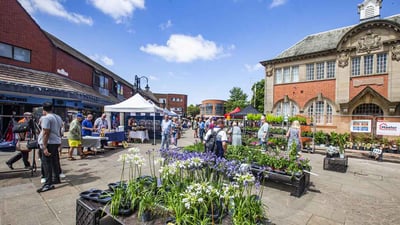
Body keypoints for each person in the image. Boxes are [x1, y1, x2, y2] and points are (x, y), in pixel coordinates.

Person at [37, 102, 63, 193]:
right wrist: (60, 143)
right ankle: (56, 178)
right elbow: (60, 131)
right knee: (55, 161)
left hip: (49, 142)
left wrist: (44, 147)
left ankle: (48, 183)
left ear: (43, 109)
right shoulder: (58, 117)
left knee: (46, 163)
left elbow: (46, 132)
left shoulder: (46, 118)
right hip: (56, 141)